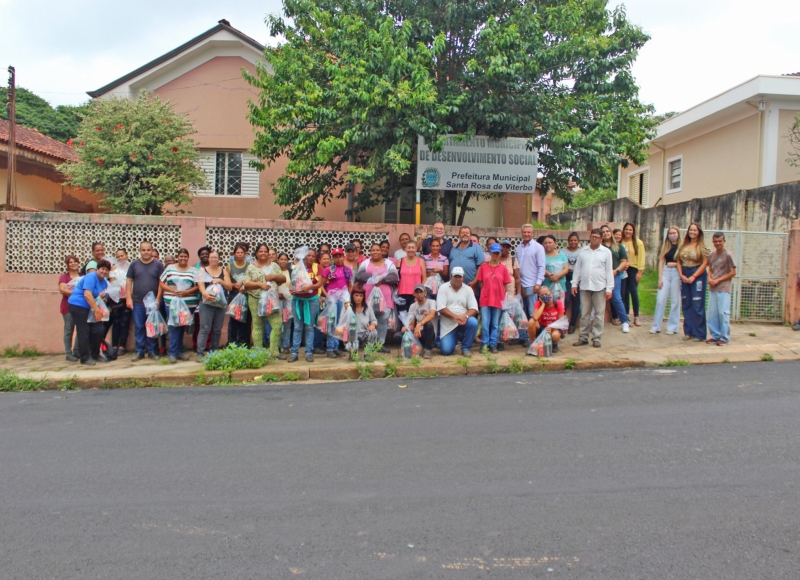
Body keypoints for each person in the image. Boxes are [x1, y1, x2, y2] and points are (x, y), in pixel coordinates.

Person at [571, 228, 614, 348]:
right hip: (584, 286)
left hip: (600, 287)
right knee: (585, 313)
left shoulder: (606, 252)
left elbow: (609, 271)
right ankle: (583, 337)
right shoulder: (583, 251)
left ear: (601, 238)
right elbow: (578, 269)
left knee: (599, 314)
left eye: (597, 237)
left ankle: (597, 337)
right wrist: (574, 284)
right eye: (592, 236)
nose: (594, 238)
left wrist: (609, 289)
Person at [244, 243, 286, 359]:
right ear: (256, 253)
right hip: (255, 299)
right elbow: (246, 283)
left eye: (265, 251)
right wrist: (259, 284)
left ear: (268, 253)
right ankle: (258, 353)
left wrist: (273, 277)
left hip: (271, 300)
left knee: (277, 325)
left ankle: (274, 352)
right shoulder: (251, 267)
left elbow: (283, 279)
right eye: (260, 251)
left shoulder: (274, 266)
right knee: (257, 326)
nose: (263, 253)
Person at [157, 248, 199, 363]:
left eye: (185, 256)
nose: (183, 258)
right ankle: (172, 352)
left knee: (182, 328)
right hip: (172, 304)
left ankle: (179, 352)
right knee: (174, 327)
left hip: (188, 304)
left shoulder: (193, 270)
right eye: (181, 256)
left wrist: (187, 292)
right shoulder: (170, 269)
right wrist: (172, 290)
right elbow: (161, 282)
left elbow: (197, 286)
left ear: (188, 257)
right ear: (178, 257)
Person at [67, 259, 112, 365]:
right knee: (84, 330)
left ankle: (95, 354)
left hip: (90, 308)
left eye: (106, 270)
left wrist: (104, 299)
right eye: (102, 269)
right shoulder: (91, 277)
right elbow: (87, 294)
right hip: (78, 305)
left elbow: (103, 297)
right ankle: (85, 358)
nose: (104, 272)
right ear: (97, 269)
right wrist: (97, 310)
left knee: (99, 329)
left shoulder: (105, 282)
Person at [126, 240, 165, 361]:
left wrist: (158, 299)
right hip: (138, 302)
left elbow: (161, 282)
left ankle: (152, 351)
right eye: (143, 250)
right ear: (140, 251)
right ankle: (139, 351)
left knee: (152, 326)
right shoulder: (134, 265)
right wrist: (128, 298)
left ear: (152, 250)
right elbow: (129, 281)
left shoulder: (158, 265)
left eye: (148, 250)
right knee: (139, 327)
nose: (146, 252)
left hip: (153, 303)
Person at [356, 243, 399, 352]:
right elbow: (360, 276)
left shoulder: (389, 263)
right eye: (373, 250)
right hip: (368, 297)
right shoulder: (365, 263)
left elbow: (394, 277)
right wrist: (374, 277)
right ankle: (369, 343)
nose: (375, 252)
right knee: (368, 319)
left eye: (377, 250)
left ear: (381, 251)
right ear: (370, 252)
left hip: (385, 297)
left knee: (383, 319)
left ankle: (380, 344)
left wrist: (382, 280)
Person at [196, 250, 233, 362]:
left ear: (218, 259)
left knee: (217, 329)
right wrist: (204, 294)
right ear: (208, 258)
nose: (213, 259)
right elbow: (200, 285)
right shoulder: (203, 270)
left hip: (220, 304)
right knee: (204, 328)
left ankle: (214, 350)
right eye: (211, 257)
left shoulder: (224, 271)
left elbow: (230, 287)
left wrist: (220, 281)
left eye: (215, 257)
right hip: (206, 303)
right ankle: (200, 353)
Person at [475, 243, 512, 353]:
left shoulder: (503, 268)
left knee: (495, 323)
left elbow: (505, 285)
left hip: (498, 299)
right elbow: (481, 283)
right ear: (490, 253)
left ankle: (493, 343)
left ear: (500, 253)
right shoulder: (483, 267)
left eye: (497, 253)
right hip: (485, 298)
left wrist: (503, 297)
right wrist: (485, 293)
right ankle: (484, 343)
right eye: (493, 252)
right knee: (485, 323)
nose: (495, 255)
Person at [677, 222, 710, 341]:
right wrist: (681, 275)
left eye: (695, 230)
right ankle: (688, 332)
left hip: (698, 275)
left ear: (699, 232)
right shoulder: (684, 245)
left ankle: (699, 333)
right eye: (691, 230)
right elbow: (679, 261)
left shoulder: (702, 246)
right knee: (686, 303)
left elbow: (706, 262)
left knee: (697, 304)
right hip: (685, 274)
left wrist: (694, 276)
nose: (692, 232)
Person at [289, 248, 324, 362]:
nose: (311, 257)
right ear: (304, 256)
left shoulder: (317, 267)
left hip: (312, 300)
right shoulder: (297, 266)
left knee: (309, 327)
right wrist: (291, 289)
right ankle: (294, 352)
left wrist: (310, 287)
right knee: (298, 327)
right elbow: (292, 282)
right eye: (308, 255)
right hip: (297, 300)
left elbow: (319, 283)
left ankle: (309, 352)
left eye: (313, 256)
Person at [436, 267, 479, 356]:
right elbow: (441, 308)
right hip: (448, 325)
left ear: (463, 277)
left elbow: (474, 308)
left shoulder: (468, 289)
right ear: (451, 276)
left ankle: (466, 348)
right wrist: (457, 317)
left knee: (473, 322)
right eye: (455, 276)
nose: (457, 279)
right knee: (446, 351)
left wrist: (465, 317)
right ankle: (454, 339)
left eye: (460, 277)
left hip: (464, 321)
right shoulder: (443, 288)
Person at [516, 223, 546, 344]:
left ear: (532, 234)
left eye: (529, 232)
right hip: (520, 285)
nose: (526, 234)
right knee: (521, 313)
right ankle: (523, 336)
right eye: (524, 232)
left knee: (532, 312)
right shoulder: (518, 247)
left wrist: (538, 283)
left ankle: (532, 338)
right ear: (521, 233)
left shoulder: (538, 247)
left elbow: (541, 266)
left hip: (531, 285)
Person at [321, 248, 353, 358]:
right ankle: (330, 347)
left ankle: (336, 346)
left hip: (343, 298)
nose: (338, 259)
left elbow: (349, 285)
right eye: (336, 257)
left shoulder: (347, 270)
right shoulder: (329, 269)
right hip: (332, 298)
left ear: (343, 257)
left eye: (340, 256)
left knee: (341, 322)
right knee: (331, 321)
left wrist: (350, 298)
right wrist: (327, 296)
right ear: (333, 258)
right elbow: (321, 285)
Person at [650, 226, 682, 335]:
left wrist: (674, 264)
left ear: (678, 233)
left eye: (674, 233)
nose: (672, 235)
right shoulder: (666, 246)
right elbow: (661, 261)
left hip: (677, 273)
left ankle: (672, 327)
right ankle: (656, 326)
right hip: (665, 272)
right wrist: (660, 279)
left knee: (675, 300)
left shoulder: (681, 247)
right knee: (660, 299)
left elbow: (683, 262)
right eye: (670, 233)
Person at [706, 232, 736, 346]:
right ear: (713, 242)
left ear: (724, 241)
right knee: (712, 313)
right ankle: (715, 335)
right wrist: (710, 279)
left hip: (724, 288)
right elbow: (710, 269)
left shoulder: (728, 255)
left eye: (720, 241)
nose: (718, 243)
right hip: (713, 287)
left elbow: (733, 272)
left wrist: (718, 280)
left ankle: (724, 337)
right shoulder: (712, 255)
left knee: (723, 313)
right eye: (715, 241)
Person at [600, 224, 630, 333]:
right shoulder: (599, 247)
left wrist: (616, 271)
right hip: (600, 276)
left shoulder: (618, 246)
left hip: (614, 275)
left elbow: (624, 261)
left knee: (616, 298)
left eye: (608, 231)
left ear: (611, 232)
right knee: (597, 298)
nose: (606, 233)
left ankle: (625, 321)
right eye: (603, 232)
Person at [106, 249, 131, 356]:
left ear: (126, 255)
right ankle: (115, 345)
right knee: (116, 323)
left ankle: (122, 346)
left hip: (128, 298)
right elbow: (112, 283)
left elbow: (131, 282)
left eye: (122, 256)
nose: (120, 258)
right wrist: (117, 293)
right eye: (118, 256)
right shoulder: (113, 268)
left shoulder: (131, 267)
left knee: (125, 323)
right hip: (116, 299)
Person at [227, 242, 252, 346]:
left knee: (245, 321)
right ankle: (232, 344)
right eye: (238, 252)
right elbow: (227, 281)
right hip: (234, 297)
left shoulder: (250, 266)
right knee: (233, 321)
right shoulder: (229, 266)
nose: (240, 254)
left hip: (247, 297)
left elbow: (252, 278)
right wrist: (234, 285)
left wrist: (243, 285)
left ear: (245, 254)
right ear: (234, 254)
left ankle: (244, 344)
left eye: (242, 252)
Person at [621, 222, 646, 327]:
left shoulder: (638, 243)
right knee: (625, 292)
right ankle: (626, 316)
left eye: (630, 230)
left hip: (634, 269)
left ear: (633, 231)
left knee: (634, 292)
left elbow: (641, 258)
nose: (628, 231)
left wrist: (640, 272)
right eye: (626, 229)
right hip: (623, 269)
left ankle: (636, 316)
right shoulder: (621, 242)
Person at [402, 284, 437, 359]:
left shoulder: (431, 302)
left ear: (425, 293)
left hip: (430, 333)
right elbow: (411, 325)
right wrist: (406, 328)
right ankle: (417, 347)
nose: (419, 294)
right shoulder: (413, 306)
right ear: (414, 294)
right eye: (417, 292)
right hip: (418, 333)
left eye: (421, 292)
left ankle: (428, 349)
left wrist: (419, 324)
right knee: (399, 336)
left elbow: (432, 315)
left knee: (428, 324)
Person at [528, 286, 565, 353]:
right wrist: (543, 304)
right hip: (543, 326)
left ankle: (554, 343)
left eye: (546, 294)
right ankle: (532, 342)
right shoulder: (538, 303)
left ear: (550, 293)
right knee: (531, 322)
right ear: (539, 297)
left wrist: (552, 328)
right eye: (542, 295)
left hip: (554, 326)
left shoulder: (558, 303)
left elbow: (561, 321)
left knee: (555, 335)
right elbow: (535, 317)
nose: (544, 296)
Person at [58, 255, 81, 361]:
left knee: (80, 330)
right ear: (67, 264)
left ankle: (77, 351)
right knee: (69, 330)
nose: (73, 263)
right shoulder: (64, 277)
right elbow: (62, 289)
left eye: (75, 261)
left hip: (81, 307)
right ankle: (68, 353)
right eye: (70, 262)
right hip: (68, 307)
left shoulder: (82, 276)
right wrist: (76, 293)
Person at [396, 240, 427, 315]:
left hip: (416, 295)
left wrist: (420, 294)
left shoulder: (421, 261)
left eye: (413, 248)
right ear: (405, 249)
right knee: (402, 318)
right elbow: (396, 277)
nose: (411, 250)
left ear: (416, 249)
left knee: (414, 318)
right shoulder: (400, 261)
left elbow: (424, 279)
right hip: (401, 294)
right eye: (409, 247)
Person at [192, 246, 212, 351]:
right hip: (198, 299)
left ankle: (208, 346)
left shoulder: (213, 266)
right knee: (199, 324)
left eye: (206, 254)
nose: (204, 255)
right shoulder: (196, 268)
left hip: (212, 299)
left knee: (210, 324)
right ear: (199, 256)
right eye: (202, 254)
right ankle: (197, 345)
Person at [562, 233, 582, 334]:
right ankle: (562, 324)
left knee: (576, 302)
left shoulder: (582, 252)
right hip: (566, 278)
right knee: (566, 299)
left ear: (578, 241)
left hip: (578, 278)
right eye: (571, 240)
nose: (573, 242)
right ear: (568, 241)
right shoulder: (563, 251)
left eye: (575, 240)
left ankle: (572, 325)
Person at [350, 287, 379, 355]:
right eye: (356, 295)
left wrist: (372, 325)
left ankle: (367, 353)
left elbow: (374, 320)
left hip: (364, 333)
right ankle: (353, 353)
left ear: (363, 297)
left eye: (361, 296)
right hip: (352, 334)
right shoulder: (349, 307)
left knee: (373, 332)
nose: (358, 298)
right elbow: (342, 322)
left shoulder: (368, 307)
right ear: (352, 296)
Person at [276, 252, 294, 355]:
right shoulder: (275, 271)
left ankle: (286, 345)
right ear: (278, 260)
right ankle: (277, 345)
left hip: (287, 301)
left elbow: (292, 285)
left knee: (287, 323)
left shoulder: (290, 272)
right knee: (277, 323)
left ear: (287, 261)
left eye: (285, 259)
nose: (283, 261)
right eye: (281, 259)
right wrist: (277, 293)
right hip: (277, 300)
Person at [542, 235, 569, 301]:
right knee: (548, 304)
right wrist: (550, 275)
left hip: (560, 284)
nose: (548, 244)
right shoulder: (541, 254)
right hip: (546, 285)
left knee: (560, 305)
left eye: (550, 242)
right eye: (545, 243)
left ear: (555, 243)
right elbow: (540, 268)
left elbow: (566, 268)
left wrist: (557, 276)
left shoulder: (561, 254)